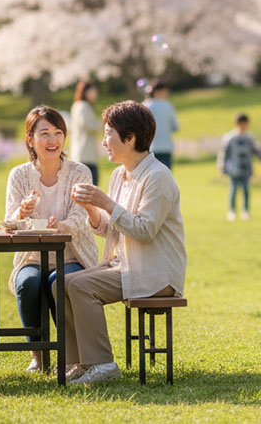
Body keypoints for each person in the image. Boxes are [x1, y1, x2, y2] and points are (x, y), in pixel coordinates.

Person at [60, 100, 186, 384]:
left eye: (109, 134)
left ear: (130, 139)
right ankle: (78, 362)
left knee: (79, 285)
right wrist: (92, 208)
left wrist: (106, 202)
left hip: (155, 272)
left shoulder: (158, 177)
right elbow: (113, 229)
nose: (103, 141)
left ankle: (102, 364)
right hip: (124, 264)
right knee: (61, 283)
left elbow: (144, 231)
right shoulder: (120, 175)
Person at [4, 106, 99, 372]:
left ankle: (71, 356)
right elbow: (10, 223)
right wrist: (21, 212)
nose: (52, 140)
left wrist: (63, 227)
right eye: (44, 134)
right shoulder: (19, 175)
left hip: (72, 254)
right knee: (28, 283)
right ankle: (39, 354)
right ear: (30, 140)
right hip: (32, 256)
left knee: (61, 282)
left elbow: (82, 219)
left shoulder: (80, 172)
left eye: (58, 133)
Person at [218, 113, 261, 221]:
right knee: (233, 191)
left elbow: (255, 151)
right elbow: (223, 153)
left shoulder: (249, 138)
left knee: (246, 191)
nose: (243, 126)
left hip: (246, 169)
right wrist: (221, 166)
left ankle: (246, 211)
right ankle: (232, 211)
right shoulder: (230, 137)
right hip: (233, 169)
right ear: (237, 124)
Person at [70, 80, 103, 184]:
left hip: (85, 153)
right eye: (93, 91)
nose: (95, 93)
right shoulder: (82, 106)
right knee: (90, 185)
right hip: (84, 153)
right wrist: (103, 124)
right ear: (86, 91)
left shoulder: (82, 105)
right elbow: (86, 125)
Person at [143, 80, 179, 169]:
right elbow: (175, 127)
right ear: (160, 91)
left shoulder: (144, 106)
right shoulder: (167, 106)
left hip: (149, 148)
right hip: (166, 147)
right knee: (165, 178)